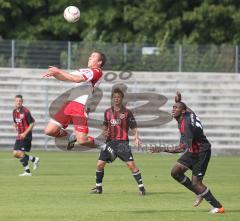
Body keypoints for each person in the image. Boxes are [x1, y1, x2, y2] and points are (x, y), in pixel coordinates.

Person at [152, 91, 224, 213]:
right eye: (173, 107)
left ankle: (218, 207)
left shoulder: (187, 126)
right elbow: (185, 108)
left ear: (183, 111)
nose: (173, 110)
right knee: (176, 172)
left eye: (176, 108)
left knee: (196, 183)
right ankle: (199, 193)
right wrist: (178, 101)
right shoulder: (187, 113)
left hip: (201, 152)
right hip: (193, 150)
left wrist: (163, 149)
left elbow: (182, 148)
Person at [43, 50, 107, 150]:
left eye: (93, 56)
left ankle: (103, 146)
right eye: (90, 56)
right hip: (70, 103)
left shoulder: (97, 72)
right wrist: (55, 74)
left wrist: (58, 71)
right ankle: (71, 136)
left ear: (99, 62)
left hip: (80, 106)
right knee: (49, 131)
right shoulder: (84, 70)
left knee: (82, 140)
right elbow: (65, 77)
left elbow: (77, 79)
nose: (90, 58)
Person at [91, 88, 146, 195]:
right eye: (114, 97)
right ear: (112, 99)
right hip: (109, 143)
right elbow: (105, 125)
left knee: (131, 165)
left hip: (122, 143)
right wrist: (105, 131)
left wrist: (136, 137)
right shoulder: (107, 112)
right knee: (99, 164)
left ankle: (142, 188)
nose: (116, 99)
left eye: (118, 97)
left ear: (122, 99)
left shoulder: (127, 112)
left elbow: (134, 126)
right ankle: (98, 188)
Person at [12, 95, 40, 176]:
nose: (18, 102)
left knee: (20, 153)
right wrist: (14, 125)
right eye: (16, 101)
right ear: (14, 102)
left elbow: (32, 123)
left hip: (26, 135)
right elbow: (15, 122)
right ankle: (34, 159)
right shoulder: (14, 112)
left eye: (20, 101)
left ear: (22, 102)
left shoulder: (26, 111)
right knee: (15, 153)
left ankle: (27, 172)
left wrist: (25, 133)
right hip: (19, 135)